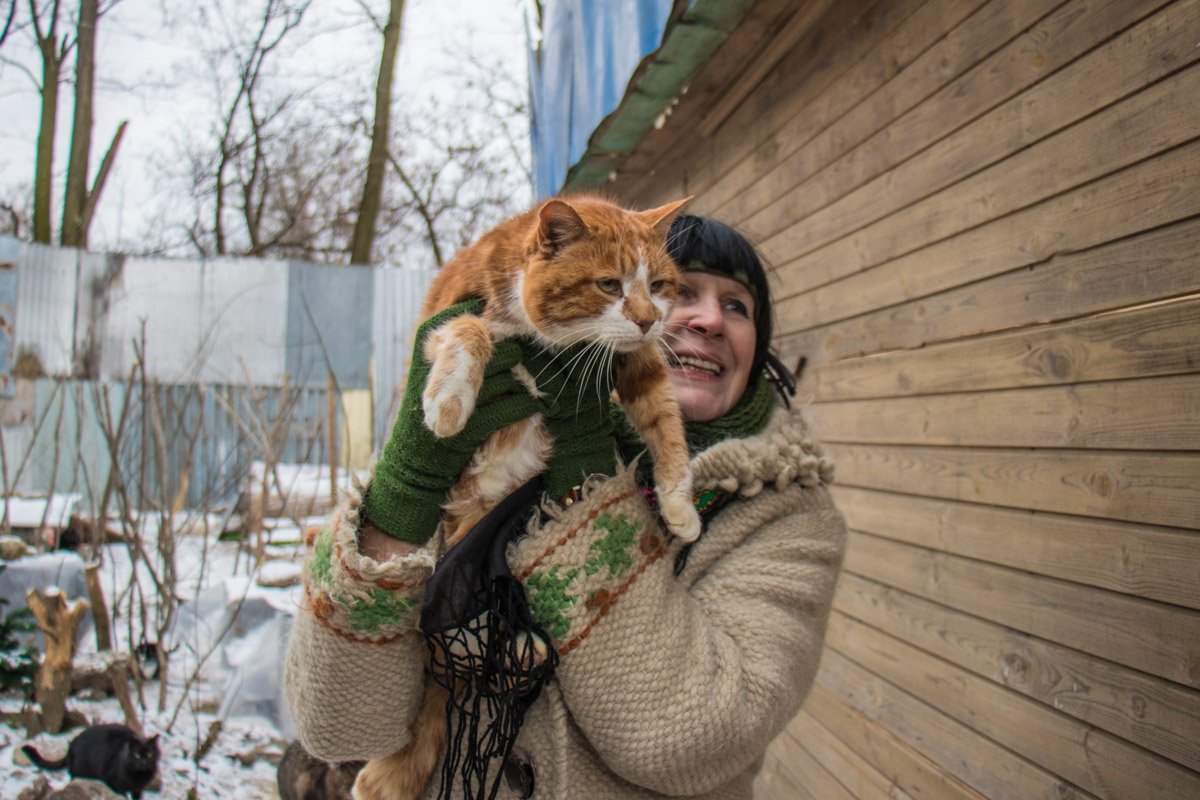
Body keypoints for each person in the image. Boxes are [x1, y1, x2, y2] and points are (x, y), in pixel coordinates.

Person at [284, 214, 847, 800]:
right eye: (684, 291)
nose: (704, 318)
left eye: (736, 306)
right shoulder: (512, 421)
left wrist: (585, 472)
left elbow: (688, 740)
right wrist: (403, 493)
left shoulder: (791, 520)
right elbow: (337, 726)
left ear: (760, 348)